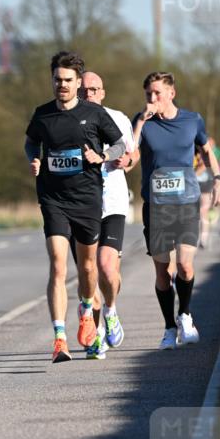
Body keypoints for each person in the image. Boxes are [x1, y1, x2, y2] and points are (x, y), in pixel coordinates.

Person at [24, 51, 125, 363]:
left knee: (88, 267)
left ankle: (86, 307)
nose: (62, 85)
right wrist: (35, 158)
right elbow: (30, 141)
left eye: (67, 80)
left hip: (87, 200)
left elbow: (120, 143)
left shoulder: (94, 114)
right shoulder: (42, 115)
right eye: (57, 80)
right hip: (53, 198)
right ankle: (59, 338)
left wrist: (102, 157)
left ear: (78, 82)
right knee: (57, 263)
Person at [132, 71, 220, 350]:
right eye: (148, 93)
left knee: (185, 264)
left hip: (186, 201)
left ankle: (185, 315)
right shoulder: (142, 122)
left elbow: (207, 150)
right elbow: (130, 153)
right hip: (156, 206)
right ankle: (169, 328)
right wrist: (139, 123)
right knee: (163, 273)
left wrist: (218, 179)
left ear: (171, 93)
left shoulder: (192, 120)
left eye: (157, 93)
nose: (152, 99)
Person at [72, 70, 136, 360]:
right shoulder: (66, 120)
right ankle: (96, 336)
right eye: (84, 90)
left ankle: (111, 310)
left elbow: (132, 157)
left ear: (103, 92)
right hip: (79, 205)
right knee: (88, 275)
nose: (89, 95)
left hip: (112, 203)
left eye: (94, 90)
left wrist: (125, 160)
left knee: (108, 269)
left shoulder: (119, 119)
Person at [194, 149, 213, 249]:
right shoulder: (193, 155)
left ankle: (203, 239)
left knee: (203, 212)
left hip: (207, 190)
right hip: (195, 190)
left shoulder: (209, 159)